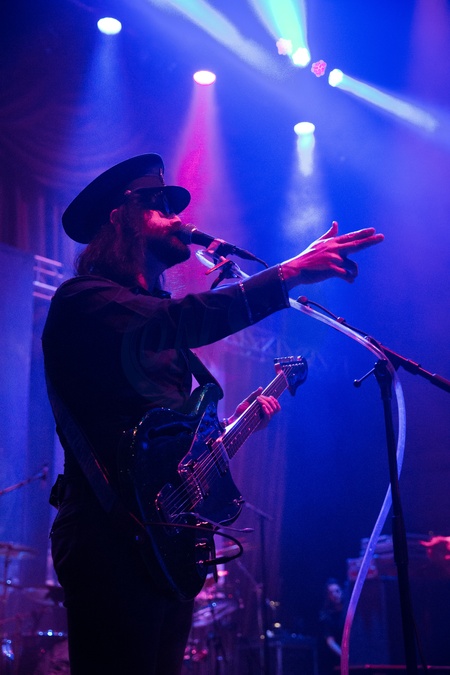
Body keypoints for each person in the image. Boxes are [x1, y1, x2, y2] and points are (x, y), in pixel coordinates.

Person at [41, 153, 383, 675]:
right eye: (160, 207)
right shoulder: (84, 301)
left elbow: (160, 443)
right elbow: (179, 317)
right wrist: (287, 274)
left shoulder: (159, 330)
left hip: (163, 537)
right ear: (120, 217)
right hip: (107, 538)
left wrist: (224, 432)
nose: (179, 218)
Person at [318, 578, 346, 675]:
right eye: (331, 593)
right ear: (328, 596)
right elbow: (330, 642)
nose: (335, 595)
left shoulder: (348, 611)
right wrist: (344, 656)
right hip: (337, 659)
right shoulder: (326, 616)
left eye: (337, 591)